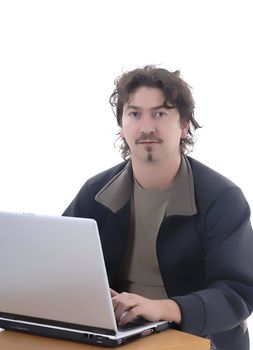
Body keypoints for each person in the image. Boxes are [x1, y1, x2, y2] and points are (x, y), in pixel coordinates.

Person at [63, 65, 253, 350]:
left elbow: (237, 294)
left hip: (198, 339)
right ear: (122, 127)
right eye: (135, 114)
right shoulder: (96, 192)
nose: (147, 126)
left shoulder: (222, 198)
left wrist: (164, 309)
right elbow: (60, 267)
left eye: (160, 113)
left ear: (184, 125)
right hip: (120, 335)